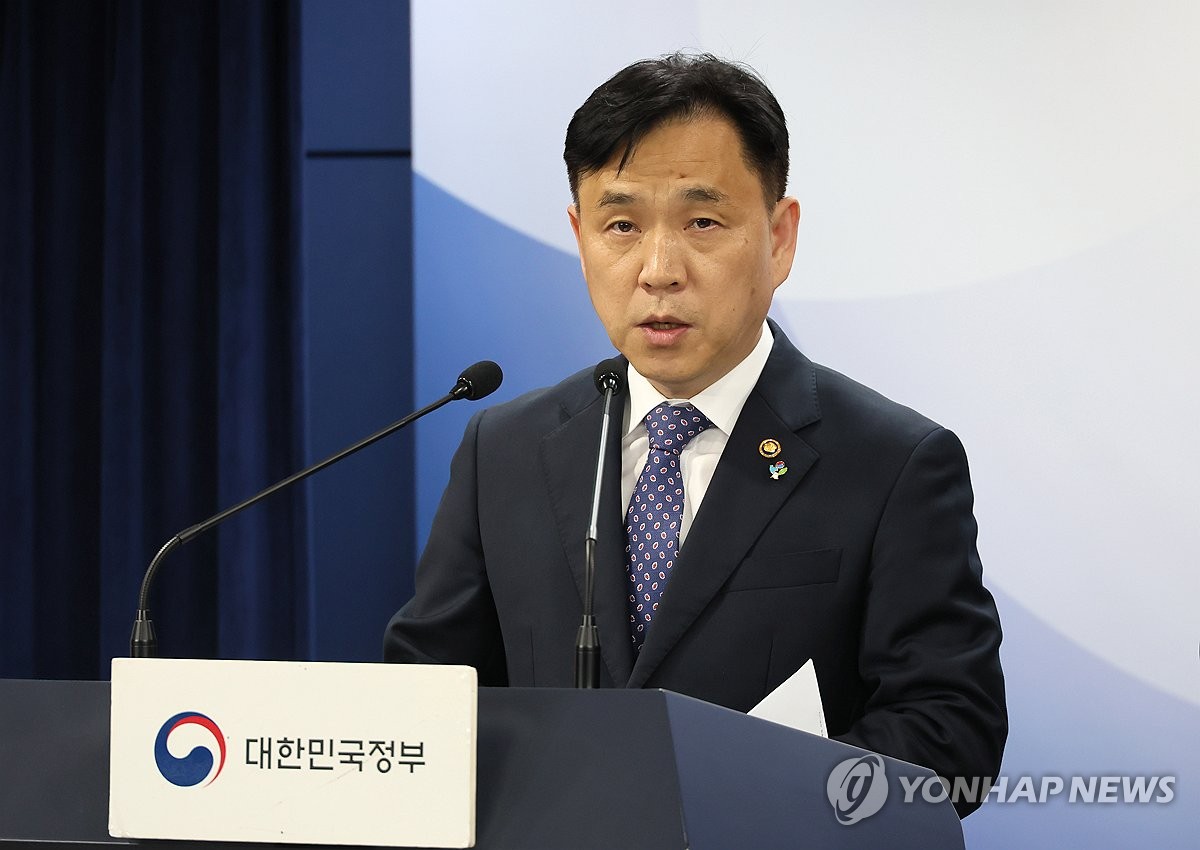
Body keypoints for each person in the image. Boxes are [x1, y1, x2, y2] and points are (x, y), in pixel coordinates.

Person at [385, 53, 1006, 817]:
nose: (658, 270)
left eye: (702, 222)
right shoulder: (503, 449)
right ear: (580, 237)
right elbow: (423, 704)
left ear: (779, 238)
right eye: (621, 225)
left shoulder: (894, 463)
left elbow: (952, 733)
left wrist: (737, 799)